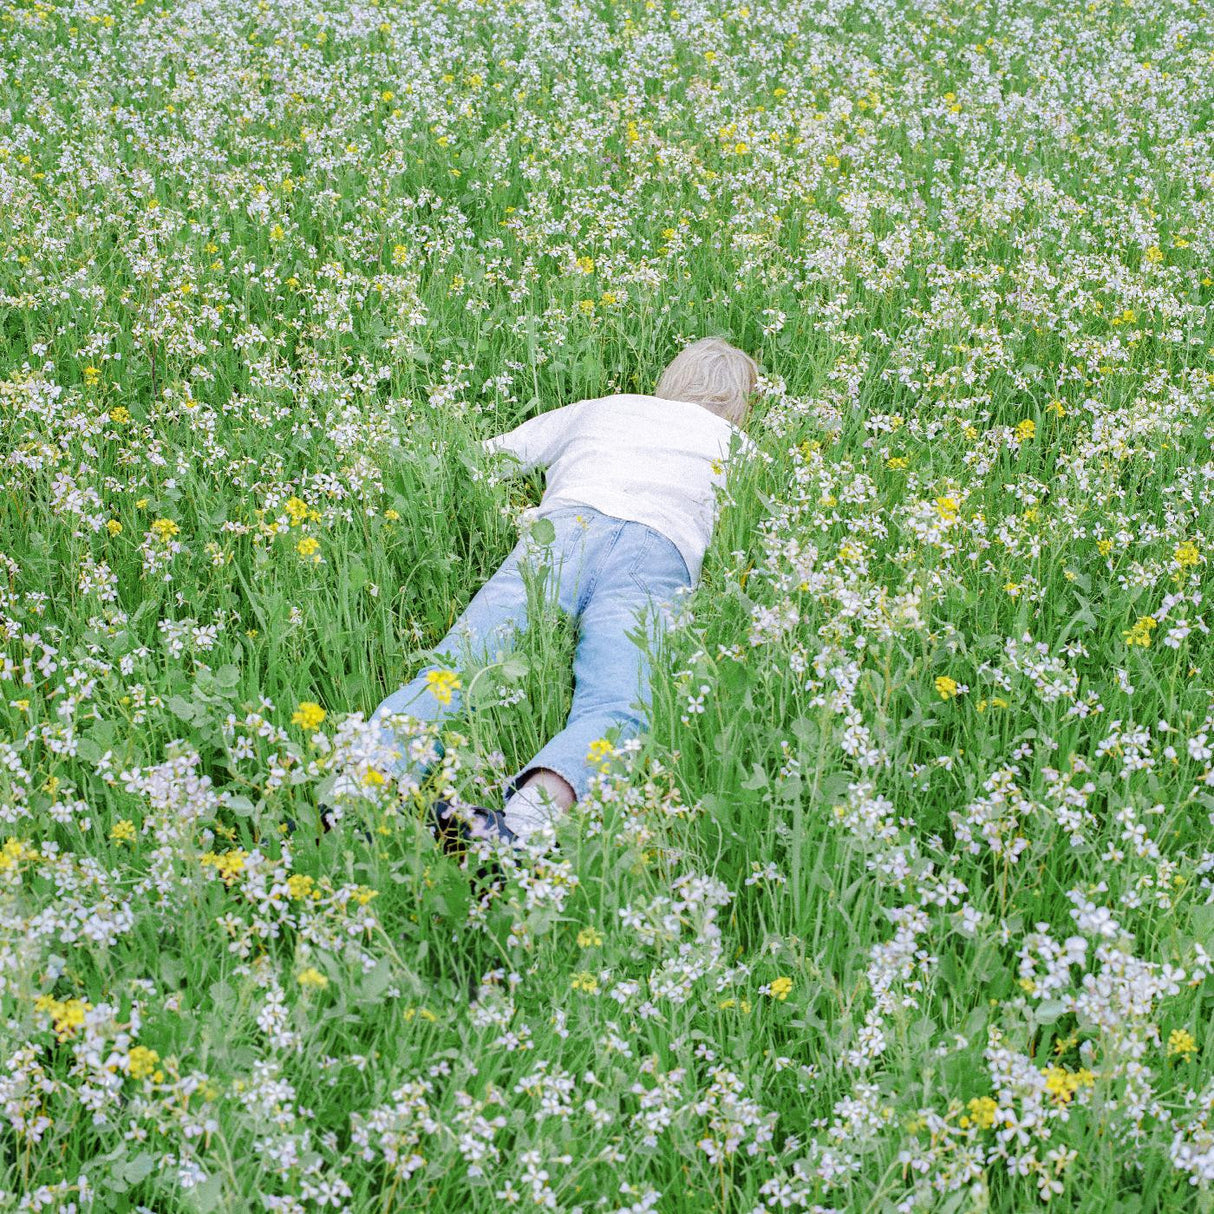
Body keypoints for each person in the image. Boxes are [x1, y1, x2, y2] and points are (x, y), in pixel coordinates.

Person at [371, 336, 760, 850]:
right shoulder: (743, 450)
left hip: (564, 531)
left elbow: (496, 456)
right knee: (620, 698)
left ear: (670, 380)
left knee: (466, 657)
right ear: (742, 407)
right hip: (658, 553)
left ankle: (367, 777)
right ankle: (526, 821)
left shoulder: (608, 408)